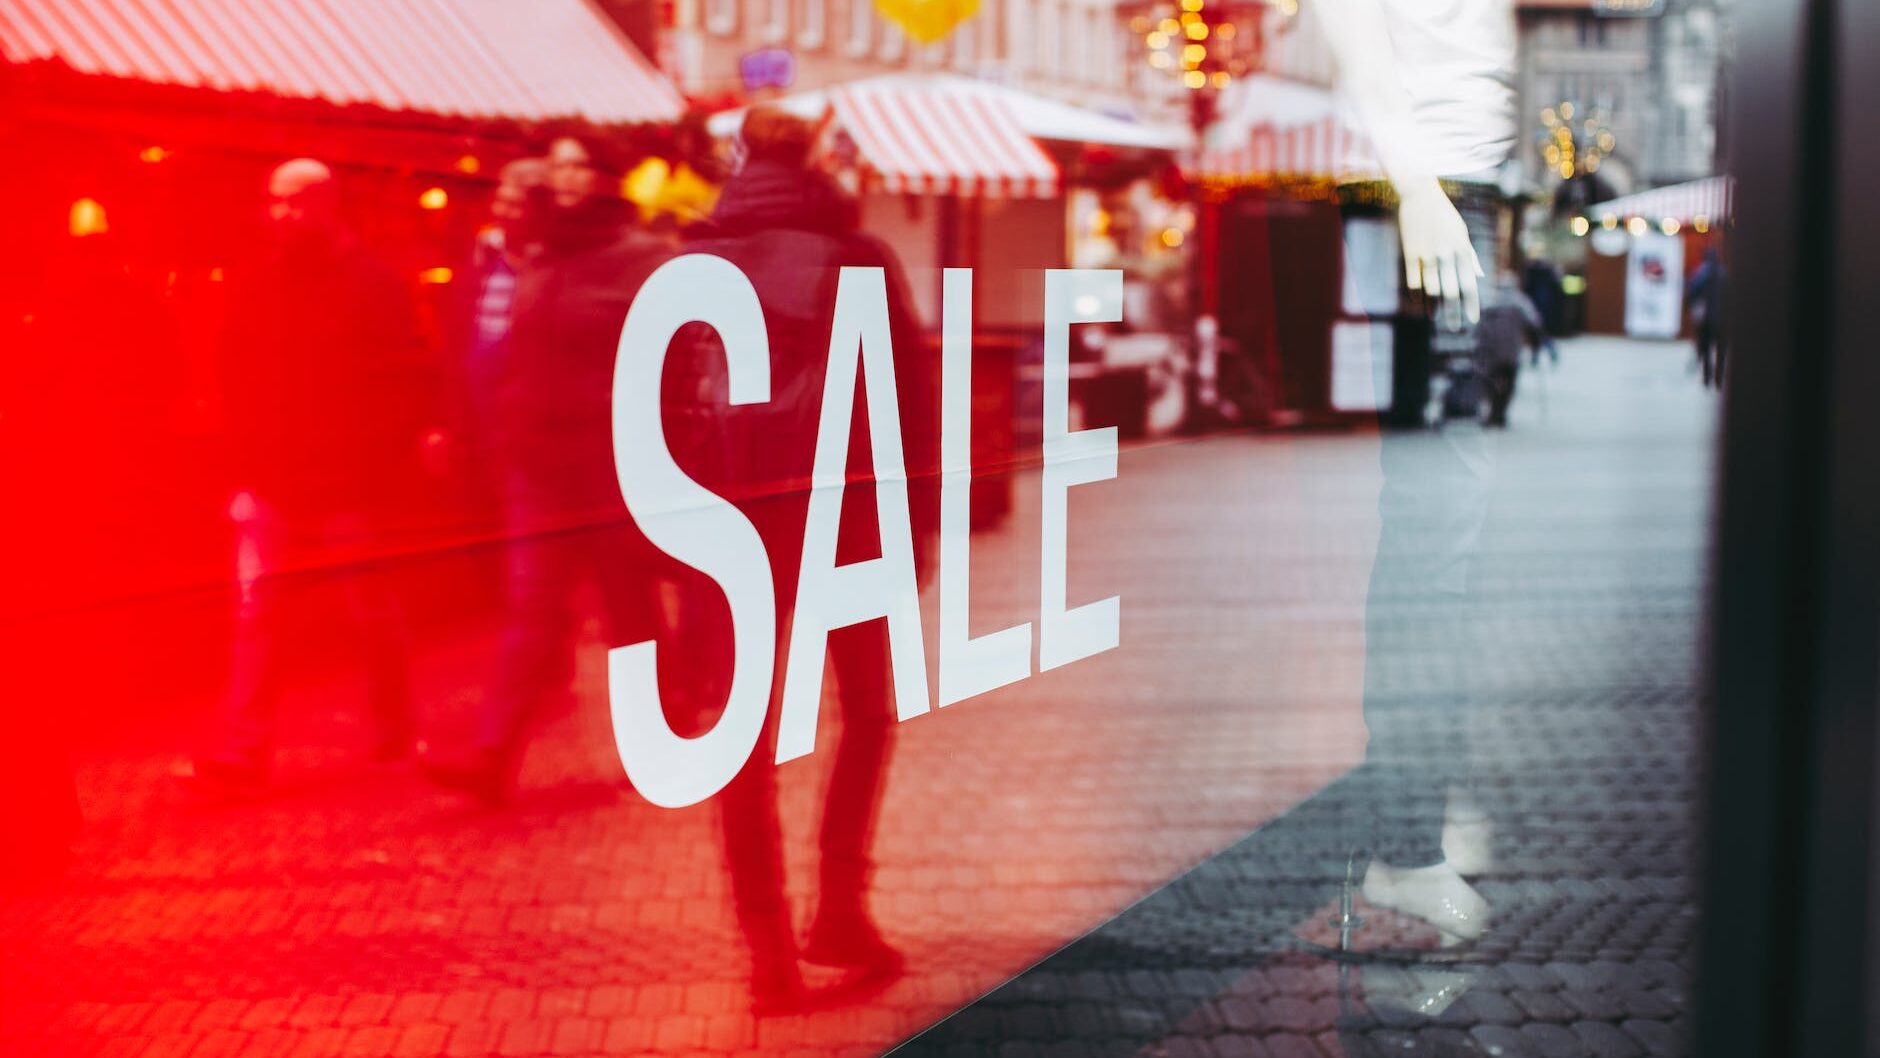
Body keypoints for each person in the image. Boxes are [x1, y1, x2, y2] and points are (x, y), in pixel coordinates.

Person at [679, 106, 937, 1011]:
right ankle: (840, 910)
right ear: (819, 162)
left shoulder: (693, 264)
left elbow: (655, 416)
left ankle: (769, 956)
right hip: (848, 520)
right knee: (867, 711)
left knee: (742, 747)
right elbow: (912, 407)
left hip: (724, 529)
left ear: (740, 162)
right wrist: (921, 530)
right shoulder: (859, 257)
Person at [421, 132, 672, 805]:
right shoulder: (539, 254)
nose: (562, 177)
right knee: (531, 611)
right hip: (539, 467)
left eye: (577, 165)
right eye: (555, 164)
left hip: (614, 465)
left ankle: (660, 745)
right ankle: (491, 757)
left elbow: (675, 361)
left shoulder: (646, 259)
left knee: (630, 613)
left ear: (605, 178)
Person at [192, 159, 434, 794]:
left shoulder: (371, 284)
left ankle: (391, 724)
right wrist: (240, 472)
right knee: (260, 616)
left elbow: (401, 383)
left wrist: (376, 464)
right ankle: (245, 752)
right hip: (279, 480)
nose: (281, 214)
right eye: (275, 202)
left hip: (346, 482)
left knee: (367, 612)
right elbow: (234, 378)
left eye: (294, 203)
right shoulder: (259, 282)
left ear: (326, 206)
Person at [1480, 272, 1546, 427]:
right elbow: (1534, 322)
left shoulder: (1490, 301)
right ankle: (1500, 413)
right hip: (1511, 350)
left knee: (1492, 380)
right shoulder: (1521, 302)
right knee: (1509, 382)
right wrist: (1536, 343)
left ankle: (1493, 411)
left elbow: (1479, 325)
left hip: (1490, 350)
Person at [1687, 247, 1726, 389]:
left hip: (1707, 317)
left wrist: (1693, 306)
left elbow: (1692, 290)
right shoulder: (1723, 273)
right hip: (1722, 317)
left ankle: (1707, 376)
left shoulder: (1702, 273)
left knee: (1706, 347)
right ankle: (1719, 376)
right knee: (1721, 349)